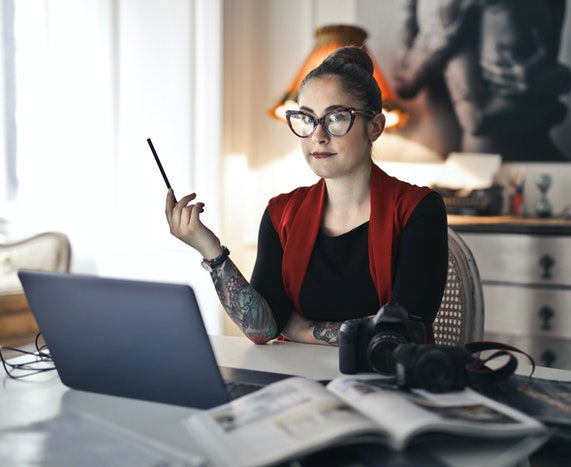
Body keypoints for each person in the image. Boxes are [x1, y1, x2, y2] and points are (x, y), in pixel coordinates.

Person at [165, 47, 448, 346]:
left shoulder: (419, 209)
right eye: (307, 118)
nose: (318, 135)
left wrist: (302, 330)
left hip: (385, 383)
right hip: (298, 382)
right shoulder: (281, 213)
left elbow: (400, 332)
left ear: (375, 127)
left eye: (337, 117)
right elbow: (262, 329)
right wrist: (210, 250)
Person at [394, 0, 571, 162]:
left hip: (532, 155)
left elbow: (548, 66)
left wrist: (560, 80)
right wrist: (554, 109)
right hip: (479, 160)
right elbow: (478, 120)